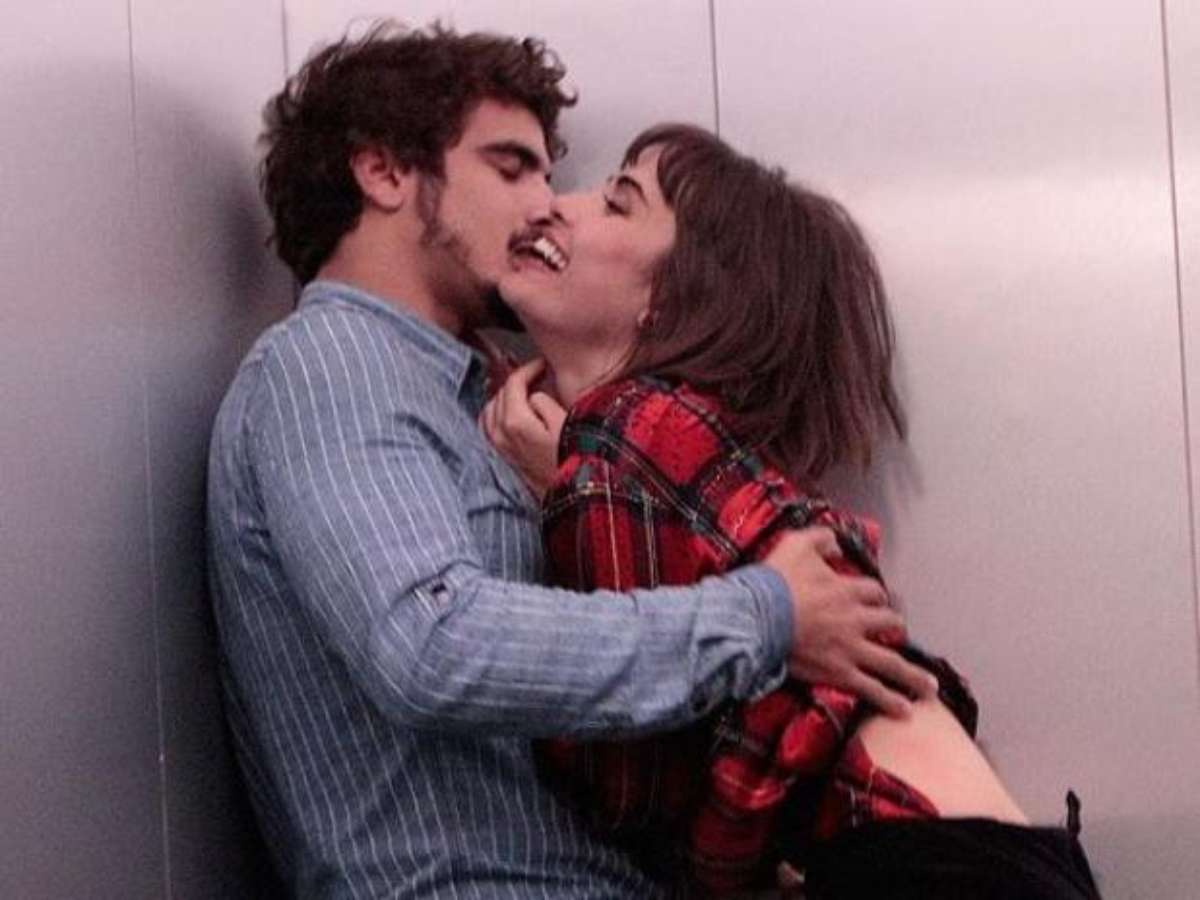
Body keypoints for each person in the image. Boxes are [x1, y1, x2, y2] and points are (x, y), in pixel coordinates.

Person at [206, 23, 934, 899]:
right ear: (385, 172)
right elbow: (431, 645)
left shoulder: (483, 399)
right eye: (511, 168)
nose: (543, 204)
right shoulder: (332, 363)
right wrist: (764, 616)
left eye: (548, 175)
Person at [485, 123, 1103, 898]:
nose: (557, 206)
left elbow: (629, 791)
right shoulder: (686, 448)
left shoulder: (626, 431)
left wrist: (562, 492)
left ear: (671, 298)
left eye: (618, 202)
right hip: (984, 852)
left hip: (924, 868)